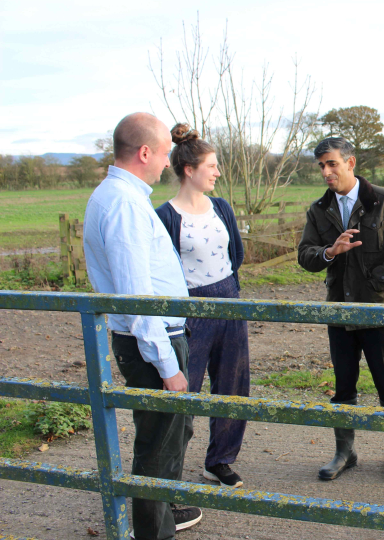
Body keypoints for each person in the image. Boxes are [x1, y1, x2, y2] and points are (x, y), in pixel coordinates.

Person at [83, 112, 202, 539]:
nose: (168, 163)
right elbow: (137, 298)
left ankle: (164, 513)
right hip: (150, 339)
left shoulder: (118, 196)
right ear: (145, 152)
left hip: (151, 336)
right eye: (166, 153)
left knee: (170, 431)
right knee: (157, 440)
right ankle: (152, 532)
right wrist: (167, 366)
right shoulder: (123, 204)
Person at [297, 137, 384, 482]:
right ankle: (344, 452)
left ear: (350, 163)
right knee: (343, 387)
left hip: (378, 311)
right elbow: (306, 255)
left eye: (332, 163)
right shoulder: (319, 209)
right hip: (338, 312)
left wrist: (374, 281)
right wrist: (329, 253)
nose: (326, 171)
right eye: (321, 165)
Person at [156, 123, 249, 489]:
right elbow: (162, 271)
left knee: (233, 387)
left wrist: (230, 295)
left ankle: (220, 461)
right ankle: (168, 472)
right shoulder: (165, 217)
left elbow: (235, 255)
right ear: (189, 171)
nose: (218, 172)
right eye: (212, 166)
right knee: (184, 391)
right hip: (190, 311)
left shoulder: (222, 207)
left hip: (231, 303)